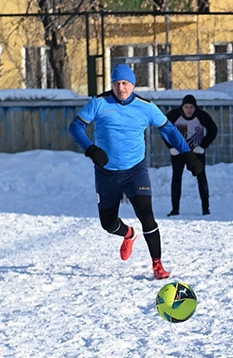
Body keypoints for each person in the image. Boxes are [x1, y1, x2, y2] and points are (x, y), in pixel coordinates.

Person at [68, 64, 203, 279]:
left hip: (135, 171)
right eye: (116, 83)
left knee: (147, 216)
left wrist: (188, 154)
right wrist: (91, 149)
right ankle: (129, 234)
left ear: (133, 84)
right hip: (106, 173)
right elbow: (75, 126)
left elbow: (168, 129)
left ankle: (157, 265)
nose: (121, 88)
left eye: (125, 83)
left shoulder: (146, 107)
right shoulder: (100, 102)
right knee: (109, 224)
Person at [163, 94, 218, 216]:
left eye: (191, 107)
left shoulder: (202, 116)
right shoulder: (173, 115)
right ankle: (175, 209)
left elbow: (213, 130)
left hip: (196, 153)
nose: (188, 110)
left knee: (201, 177)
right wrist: (171, 147)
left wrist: (203, 146)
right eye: (186, 107)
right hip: (179, 152)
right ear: (182, 107)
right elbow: (164, 130)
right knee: (176, 178)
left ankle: (205, 208)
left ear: (195, 108)